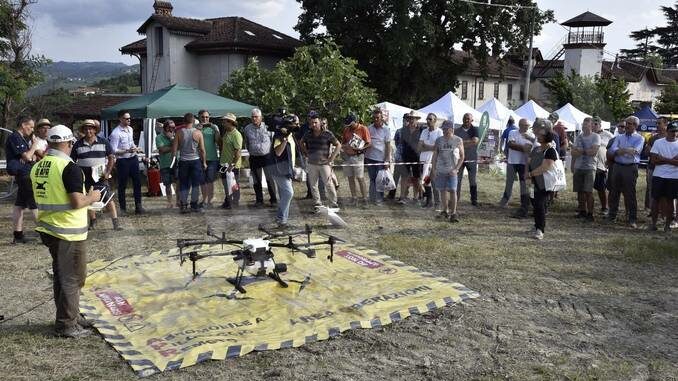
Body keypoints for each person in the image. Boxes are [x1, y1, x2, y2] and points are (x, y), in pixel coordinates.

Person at [30, 124, 102, 338]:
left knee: (63, 276)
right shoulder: (69, 167)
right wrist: (93, 197)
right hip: (68, 231)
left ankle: (69, 316)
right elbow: (77, 201)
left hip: (49, 228)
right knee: (73, 278)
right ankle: (67, 325)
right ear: (69, 143)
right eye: (72, 143)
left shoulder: (39, 166)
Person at [71, 119, 122, 231]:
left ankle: (115, 223)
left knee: (107, 198)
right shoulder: (77, 144)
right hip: (84, 176)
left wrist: (108, 172)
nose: (88, 130)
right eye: (86, 128)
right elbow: (72, 162)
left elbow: (111, 158)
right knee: (89, 199)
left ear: (95, 130)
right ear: (83, 130)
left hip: (100, 175)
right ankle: (93, 222)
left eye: (91, 128)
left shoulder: (103, 142)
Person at [5, 116, 39, 244]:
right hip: (24, 174)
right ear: (24, 125)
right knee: (33, 203)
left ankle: (18, 235)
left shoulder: (22, 139)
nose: (32, 130)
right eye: (30, 127)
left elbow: (30, 157)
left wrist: (29, 156)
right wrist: (34, 146)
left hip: (23, 173)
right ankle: (45, 233)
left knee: (19, 205)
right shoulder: (15, 137)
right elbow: (27, 157)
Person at [607, 116, 644, 228]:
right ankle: (612, 216)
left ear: (636, 126)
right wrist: (626, 150)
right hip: (617, 166)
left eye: (630, 124)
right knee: (614, 192)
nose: (627, 125)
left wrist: (620, 150)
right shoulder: (619, 137)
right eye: (627, 123)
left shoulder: (640, 138)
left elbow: (635, 151)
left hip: (630, 167)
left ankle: (632, 218)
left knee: (630, 194)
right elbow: (612, 150)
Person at [526, 119, 558, 240]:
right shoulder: (536, 149)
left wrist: (530, 174)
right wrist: (528, 174)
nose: (538, 136)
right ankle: (536, 225)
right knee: (535, 204)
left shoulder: (550, 151)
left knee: (540, 205)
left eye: (541, 135)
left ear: (547, 137)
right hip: (534, 181)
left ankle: (540, 229)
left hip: (544, 182)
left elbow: (546, 167)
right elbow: (529, 161)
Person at [109, 110, 144, 214]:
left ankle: (138, 206)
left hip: (133, 158)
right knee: (122, 185)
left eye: (129, 118)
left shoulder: (130, 129)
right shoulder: (116, 133)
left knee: (137, 183)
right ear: (120, 119)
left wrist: (135, 148)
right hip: (123, 161)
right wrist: (127, 151)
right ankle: (123, 208)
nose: (129, 120)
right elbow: (113, 150)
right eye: (126, 118)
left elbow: (131, 142)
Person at [301, 113, 341, 207]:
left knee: (329, 184)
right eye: (312, 123)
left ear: (319, 122)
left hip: (324, 164)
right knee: (313, 185)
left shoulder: (327, 134)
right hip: (311, 163)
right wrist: (306, 152)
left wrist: (331, 158)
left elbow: (338, 145)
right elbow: (301, 142)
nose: (314, 125)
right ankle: (317, 203)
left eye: (315, 122)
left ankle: (333, 203)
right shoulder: (308, 134)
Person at [172, 113, 207, 213]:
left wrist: (173, 162)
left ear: (184, 121)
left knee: (184, 183)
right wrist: (204, 162)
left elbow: (174, 150)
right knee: (195, 184)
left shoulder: (179, 132)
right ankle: (194, 205)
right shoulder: (198, 133)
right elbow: (202, 150)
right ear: (193, 121)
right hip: (195, 161)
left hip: (183, 161)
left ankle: (183, 205)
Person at [431, 120, 464, 222]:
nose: (444, 131)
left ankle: (453, 213)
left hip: (452, 171)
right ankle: (444, 211)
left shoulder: (458, 140)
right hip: (441, 170)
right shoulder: (439, 140)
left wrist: (456, 169)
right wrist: (433, 169)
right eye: (443, 129)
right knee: (442, 190)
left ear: (451, 129)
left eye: (446, 129)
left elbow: (462, 156)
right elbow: (435, 155)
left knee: (453, 191)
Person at [243, 108, 277, 207]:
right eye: (252, 117)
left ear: (261, 117)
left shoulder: (268, 127)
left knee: (269, 179)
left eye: (256, 117)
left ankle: (273, 200)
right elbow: (247, 142)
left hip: (267, 156)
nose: (254, 119)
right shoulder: (247, 128)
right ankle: (259, 201)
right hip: (254, 157)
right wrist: (251, 151)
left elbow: (273, 140)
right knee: (256, 180)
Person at [648, 120, 678, 231]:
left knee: (670, 201)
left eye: (676, 131)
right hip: (659, 175)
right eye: (672, 131)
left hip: (674, 177)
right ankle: (653, 224)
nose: (674, 133)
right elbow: (653, 160)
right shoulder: (658, 142)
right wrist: (672, 160)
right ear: (667, 131)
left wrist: (663, 158)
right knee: (655, 199)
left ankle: (667, 226)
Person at [502, 118, 534, 217]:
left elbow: (529, 148)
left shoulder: (531, 135)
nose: (527, 127)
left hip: (524, 163)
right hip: (512, 161)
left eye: (528, 125)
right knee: (509, 182)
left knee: (524, 184)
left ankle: (524, 204)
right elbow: (510, 144)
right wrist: (523, 148)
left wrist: (520, 147)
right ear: (520, 125)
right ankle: (505, 200)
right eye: (525, 125)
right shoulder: (512, 132)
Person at [571, 117, 601, 222]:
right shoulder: (579, 137)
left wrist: (581, 151)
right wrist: (573, 164)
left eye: (587, 125)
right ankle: (582, 211)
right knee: (579, 191)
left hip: (590, 167)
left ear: (591, 126)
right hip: (578, 167)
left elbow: (593, 152)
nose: (584, 127)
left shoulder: (596, 137)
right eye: (583, 125)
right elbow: (573, 152)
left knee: (588, 191)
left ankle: (590, 213)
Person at [271, 119, 296, 228]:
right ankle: (280, 217)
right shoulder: (278, 136)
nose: (294, 127)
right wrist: (284, 139)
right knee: (289, 193)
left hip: (287, 169)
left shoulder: (291, 136)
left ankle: (282, 221)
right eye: (291, 126)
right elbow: (278, 152)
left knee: (284, 195)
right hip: (278, 170)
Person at [340, 114, 370, 205]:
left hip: (358, 156)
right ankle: (354, 198)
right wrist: (344, 148)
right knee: (350, 178)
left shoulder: (363, 128)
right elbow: (343, 142)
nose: (348, 125)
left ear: (355, 121)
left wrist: (361, 148)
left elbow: (368, 143)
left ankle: (365, 198)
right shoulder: (346, 130)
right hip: (347, 157)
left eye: (350, 124)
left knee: (360, 178)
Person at [365, 109, 391, 205]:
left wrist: (387, 160)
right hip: (370, 158)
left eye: (377, 118)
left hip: (381, 159)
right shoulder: (369, 128)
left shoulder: (386, 130)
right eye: (374, 118)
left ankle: (379, 199)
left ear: (381, 118)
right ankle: (372, 198)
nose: (376, 119)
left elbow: (388, 146)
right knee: (372, 178)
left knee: (379, 179)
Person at [197, 110, 221, 208]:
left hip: (212, 158)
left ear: (209, 117)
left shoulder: (213, 128)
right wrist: (196, 130)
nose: (205, 119)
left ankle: (210, 200)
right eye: (203, 117)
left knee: (210, 180)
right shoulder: (196, 128)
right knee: (202, 181)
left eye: (207, 117)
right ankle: (204, 199)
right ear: (199, 117)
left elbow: (219, 142)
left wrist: (216, 130)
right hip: (199, 158)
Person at [455, 113, 480, 206]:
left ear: (471, 120)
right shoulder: (457, 131)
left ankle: (474, 200)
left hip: (471, 158)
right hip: (459, 159)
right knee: (457, 179)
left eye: (468, 119)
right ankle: (456, 199)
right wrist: (467, 142)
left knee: (472, 180)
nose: (466, 120)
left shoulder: (475, 130)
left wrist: (461, 143)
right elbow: (455, 143)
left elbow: (475, 142)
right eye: (465, 118)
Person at [418, 113, 443, 208]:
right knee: (426, 181)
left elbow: (438, 147)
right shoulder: (424, 131)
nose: (428, 121)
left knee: (434, 181)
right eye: (427, 119)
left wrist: (426, 146)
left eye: (430, 119)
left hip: (434, 160)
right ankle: (429, 201)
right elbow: (419, 147)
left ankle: (438, 203)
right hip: (423, 159)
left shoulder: (439, 132)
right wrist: (431, 147)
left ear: (435, 121)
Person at [219, 113, 243, 209]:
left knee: (233, 185)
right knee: (226, 184)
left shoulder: (236, 135)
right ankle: (228, 201)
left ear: (230, 122)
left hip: (232, 165)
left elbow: (238, 151)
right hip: (224, 163)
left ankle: (234, 202)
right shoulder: (227, 133)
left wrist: (232, 164)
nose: (223, 123)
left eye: (224, 121)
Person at [644, 117, 668, 211]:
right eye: (656, 123)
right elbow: (647, 152)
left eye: (659, 123)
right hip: (652, 168)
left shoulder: (672, 138)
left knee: (666, 192)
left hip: (667, 169)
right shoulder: (653, 138)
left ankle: (665, 211)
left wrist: (656, 154)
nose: (657, 125)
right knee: (652, 190)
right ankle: (653, 209)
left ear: (666, 125)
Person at [398, 111, 422, 204]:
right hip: (405, 156)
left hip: (416, 157)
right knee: (404, 177)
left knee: (416, 178)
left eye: (414, 118)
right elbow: (401, 143)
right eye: (410, 118)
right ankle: (402, 196)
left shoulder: (421, 130)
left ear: (417, 119)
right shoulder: (404, 129)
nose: (412, 120)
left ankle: (416, 198)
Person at [593, 117, 614, 214]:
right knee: (587, 188)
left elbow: (613, 149)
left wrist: (610, 161)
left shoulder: (608, 135)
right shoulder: (587, 134)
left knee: (601, 187)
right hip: (590, 164)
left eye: (596, 124)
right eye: (592, 124)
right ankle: (585, 207)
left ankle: (605, 207)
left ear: (600, 125)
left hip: (602, 165)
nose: (594, 125)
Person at [156, 119, 178, 208]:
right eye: (170, 127)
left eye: (174, 127)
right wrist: (174, 147)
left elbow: (179, 146)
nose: (172, 129)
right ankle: (170, 202)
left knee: (178, 182)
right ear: (165, 128)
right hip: (165, 164)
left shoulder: (176, 135)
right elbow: (162, 150)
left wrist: (171, 139)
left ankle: (179, 201)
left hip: (176, 162)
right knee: (167, 184)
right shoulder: (159, 137)